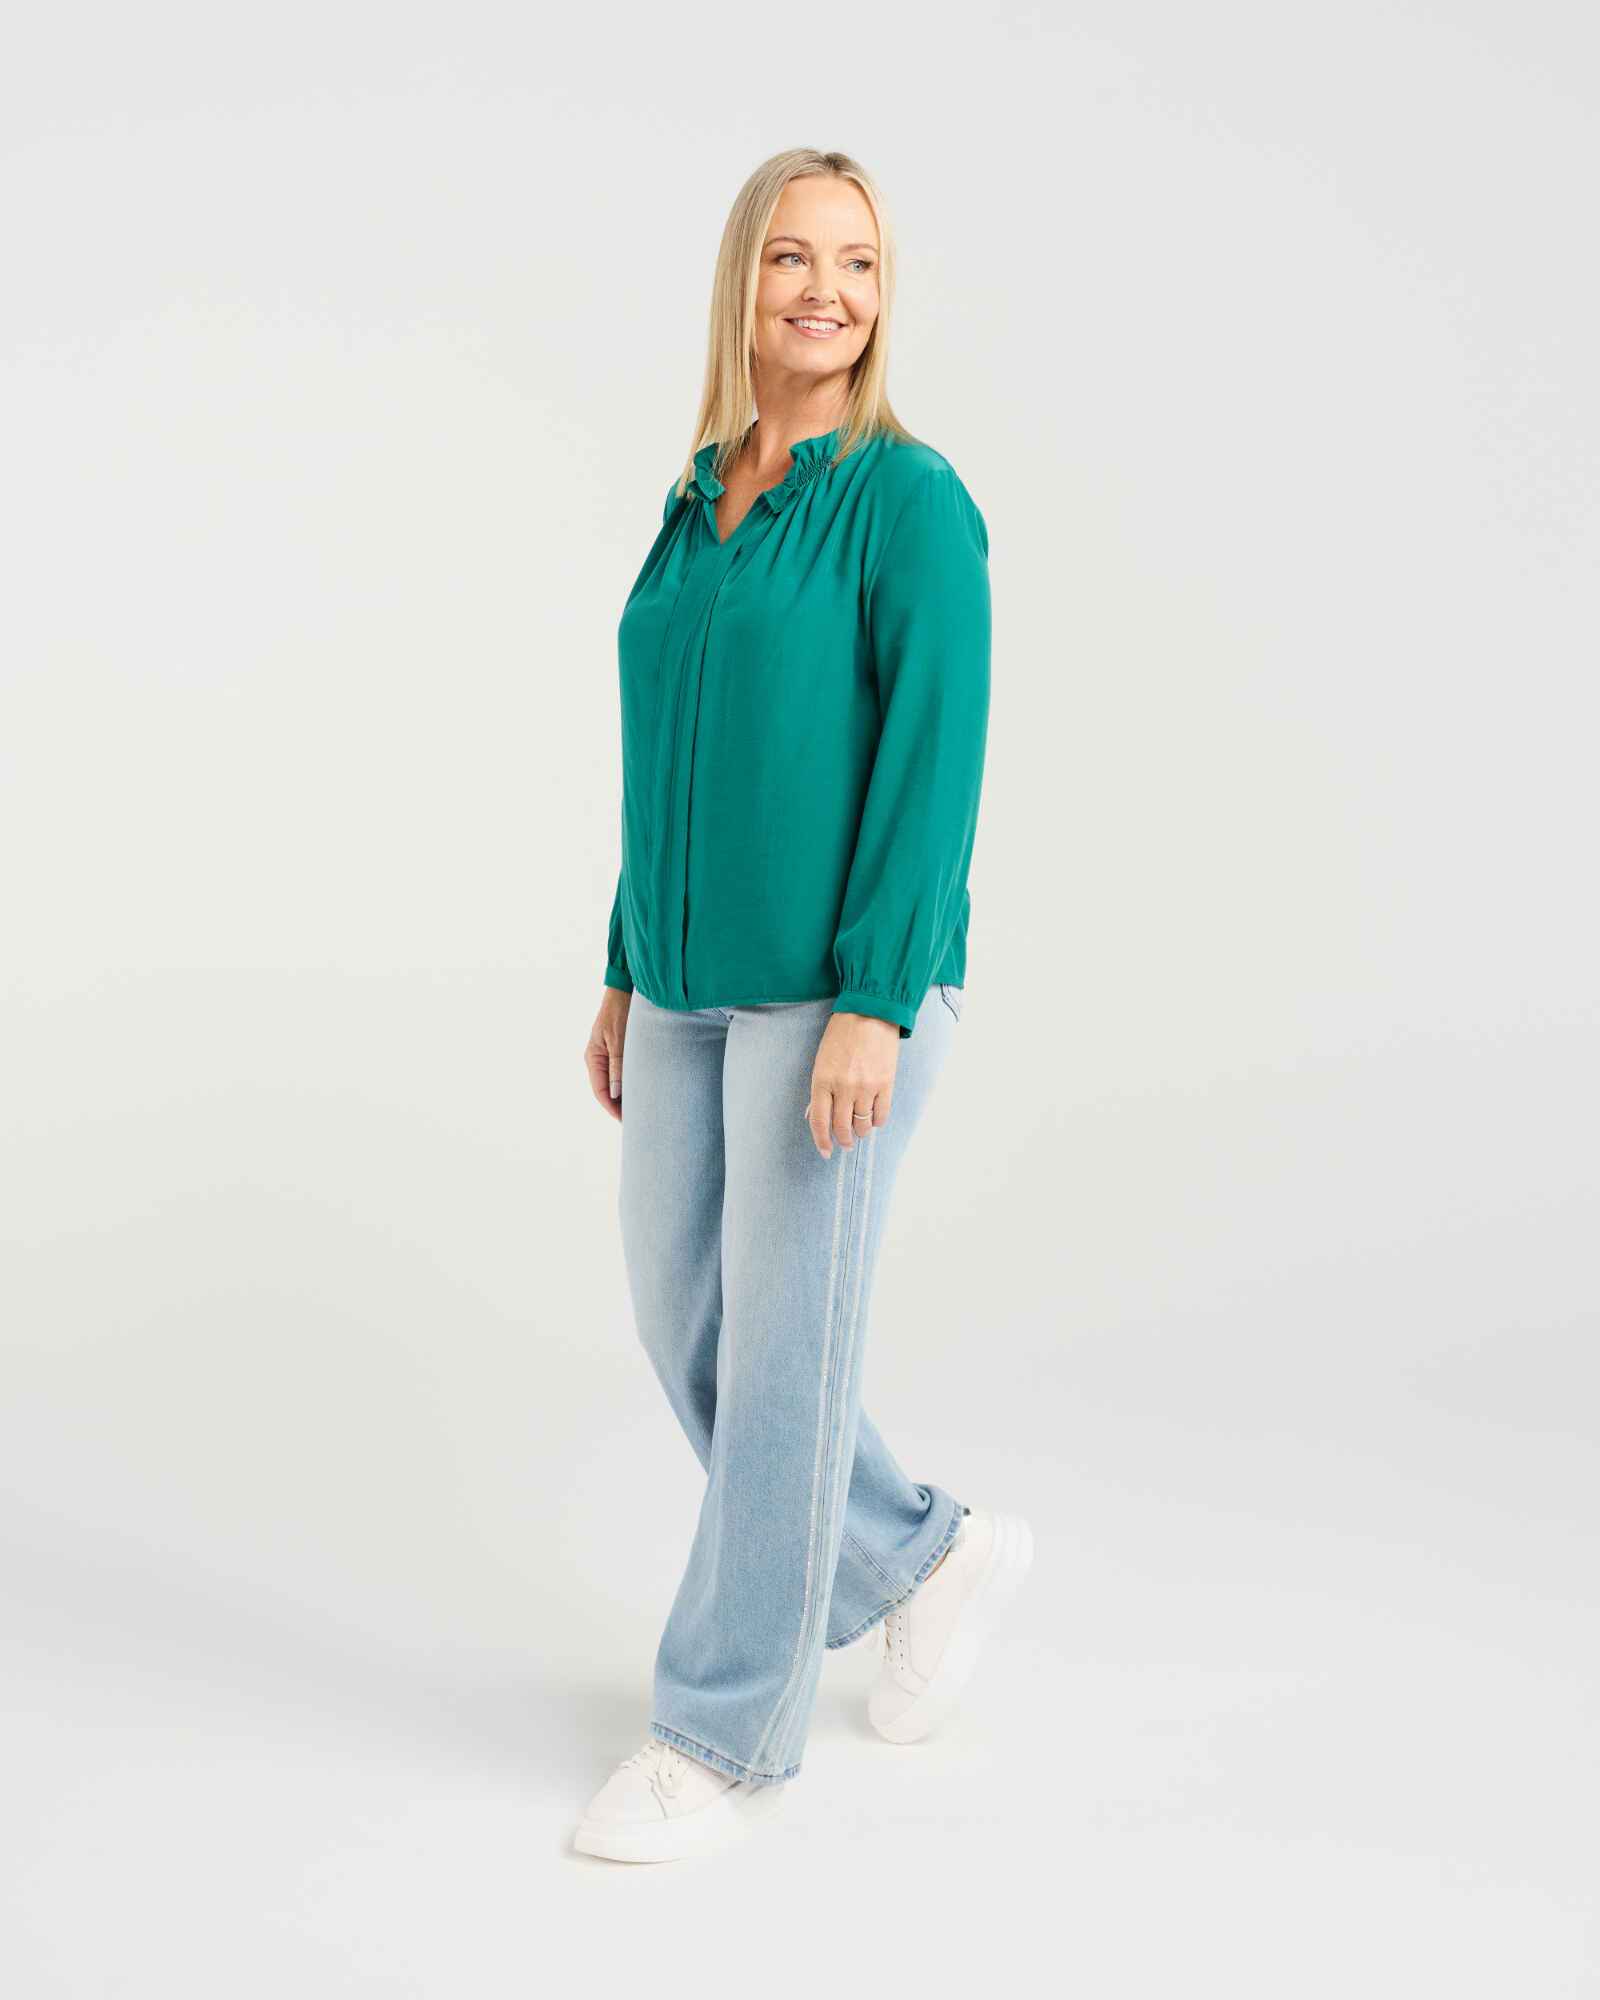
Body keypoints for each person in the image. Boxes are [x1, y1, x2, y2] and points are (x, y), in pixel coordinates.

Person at [575, 147, 1032, 1865]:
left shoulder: (909, 502)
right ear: (741, 281)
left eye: (856, 262)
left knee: (782, 1367)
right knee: (688, 1324)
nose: (823, 290)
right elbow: (663, 759)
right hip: (684, 987)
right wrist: (625, 962)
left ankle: (722, 1732)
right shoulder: (700, 496)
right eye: (790, 256)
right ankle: (924, 1557)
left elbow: (935, 759)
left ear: (883, 297)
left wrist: (879, 999)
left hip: (831, 1000)